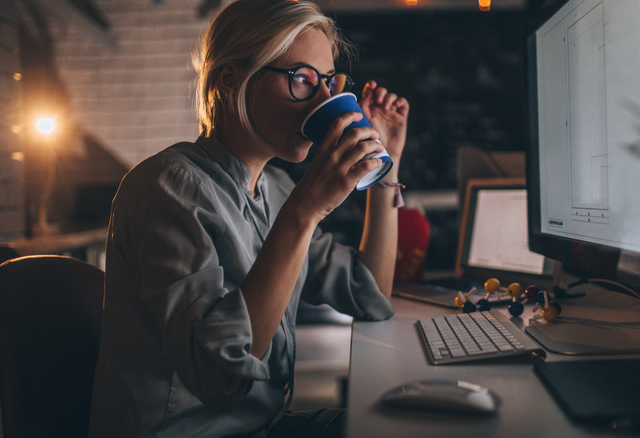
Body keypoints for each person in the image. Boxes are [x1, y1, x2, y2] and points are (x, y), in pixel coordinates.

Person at [88, 0, 409, 436]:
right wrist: (305, 211)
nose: (324, 101)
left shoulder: (276, 189)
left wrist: (386, 165)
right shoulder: (164, 187)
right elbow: (219, 377)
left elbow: (370, 294)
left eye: (329, 82)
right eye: (302, 79)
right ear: (230, 79)